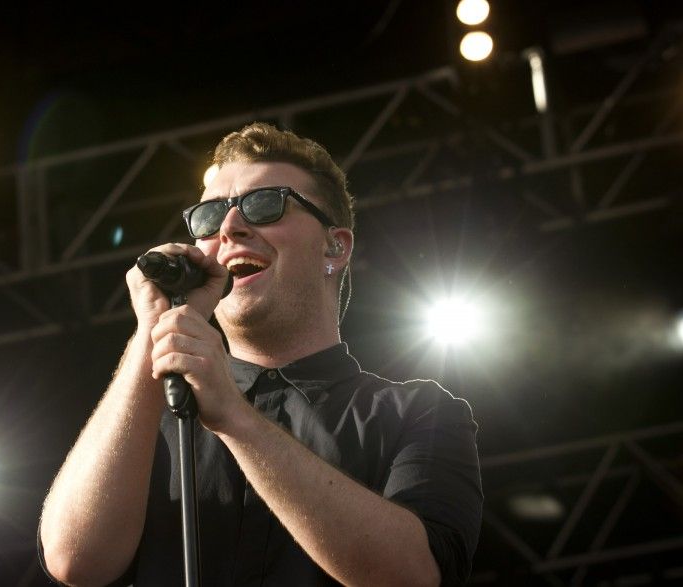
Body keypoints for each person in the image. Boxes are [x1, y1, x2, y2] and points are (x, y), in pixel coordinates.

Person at [38, 123, 483, 586]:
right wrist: (150, 330)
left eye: (265, 204)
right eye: (210, 216)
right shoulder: (147, 423)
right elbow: (75, 560)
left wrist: (235, 416)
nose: (230, 227)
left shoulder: (421, 414)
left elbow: (412, 577)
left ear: (335, 245)